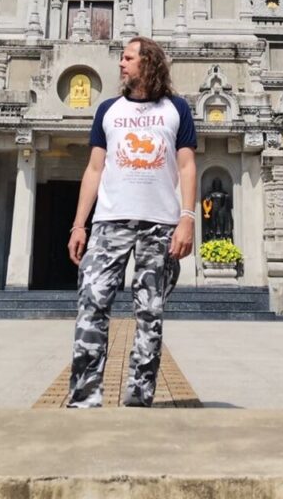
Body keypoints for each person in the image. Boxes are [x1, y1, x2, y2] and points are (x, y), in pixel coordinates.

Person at [66, 36, 197, 408]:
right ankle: (84, 397)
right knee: (91, 303)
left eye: (127, 58)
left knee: (149, 312)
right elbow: (94, 169)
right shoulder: (108, 109)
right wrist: (79, 224)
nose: (121, 64)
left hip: (160, 224)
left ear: (148, 62)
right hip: (109, 223)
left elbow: (187, 167)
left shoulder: (176, 110)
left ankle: (139, 399)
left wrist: (187, 219)